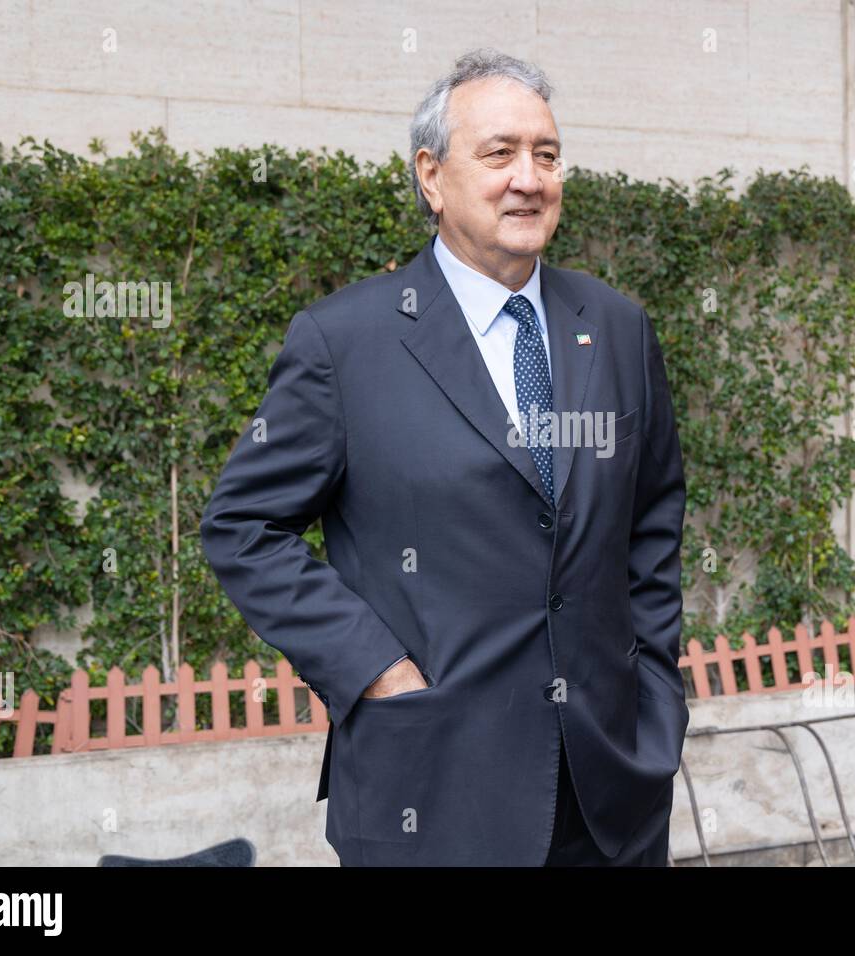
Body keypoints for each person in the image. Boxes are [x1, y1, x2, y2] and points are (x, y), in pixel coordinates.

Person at [200, 47, 688, 866]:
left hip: (610, 795)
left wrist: (655, 697)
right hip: (432, 792)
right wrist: (376, 669)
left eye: (547, 154)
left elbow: (653, 520)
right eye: (499, 153)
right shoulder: (344, 342)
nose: (529, 178)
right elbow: (243, 527)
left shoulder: (616, 328)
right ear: (431, 176)